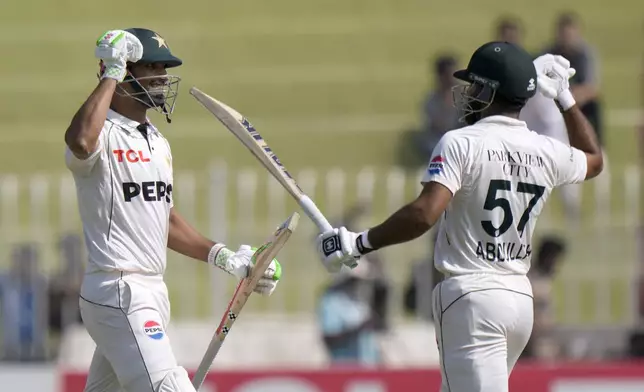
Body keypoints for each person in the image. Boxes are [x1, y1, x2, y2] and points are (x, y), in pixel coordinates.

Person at [316, 42, 603, 391]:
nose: (468, 93)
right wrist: (564, 98)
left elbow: (424, 214)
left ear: (489, 90)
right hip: (518, 299)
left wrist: (360, 242)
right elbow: (593, 157)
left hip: (472, 297)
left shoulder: (461, 142)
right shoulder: (545, 149)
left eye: (474, 85)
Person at [63, 29, 283, 392]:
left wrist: (228, 259)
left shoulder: (157, 142)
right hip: (119, 288)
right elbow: (81, 142)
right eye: (153, 66)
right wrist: (111, 73)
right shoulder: (101, 134)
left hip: (151, 291)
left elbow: (165, 220)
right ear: (124, 72)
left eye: (165, 67)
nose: (164, 76)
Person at [317, 261, 381, 367]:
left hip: (366, 366)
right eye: (353, 280)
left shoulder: (358, 300)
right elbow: (329, 338)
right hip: (343, 367)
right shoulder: (331, 301)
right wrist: (357, 328)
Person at [522, 236, 567, 361]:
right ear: (547, 257)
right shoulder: (530, 280)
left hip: (545, 339)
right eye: (554, 259)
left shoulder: (545, 280)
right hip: (532, 343)